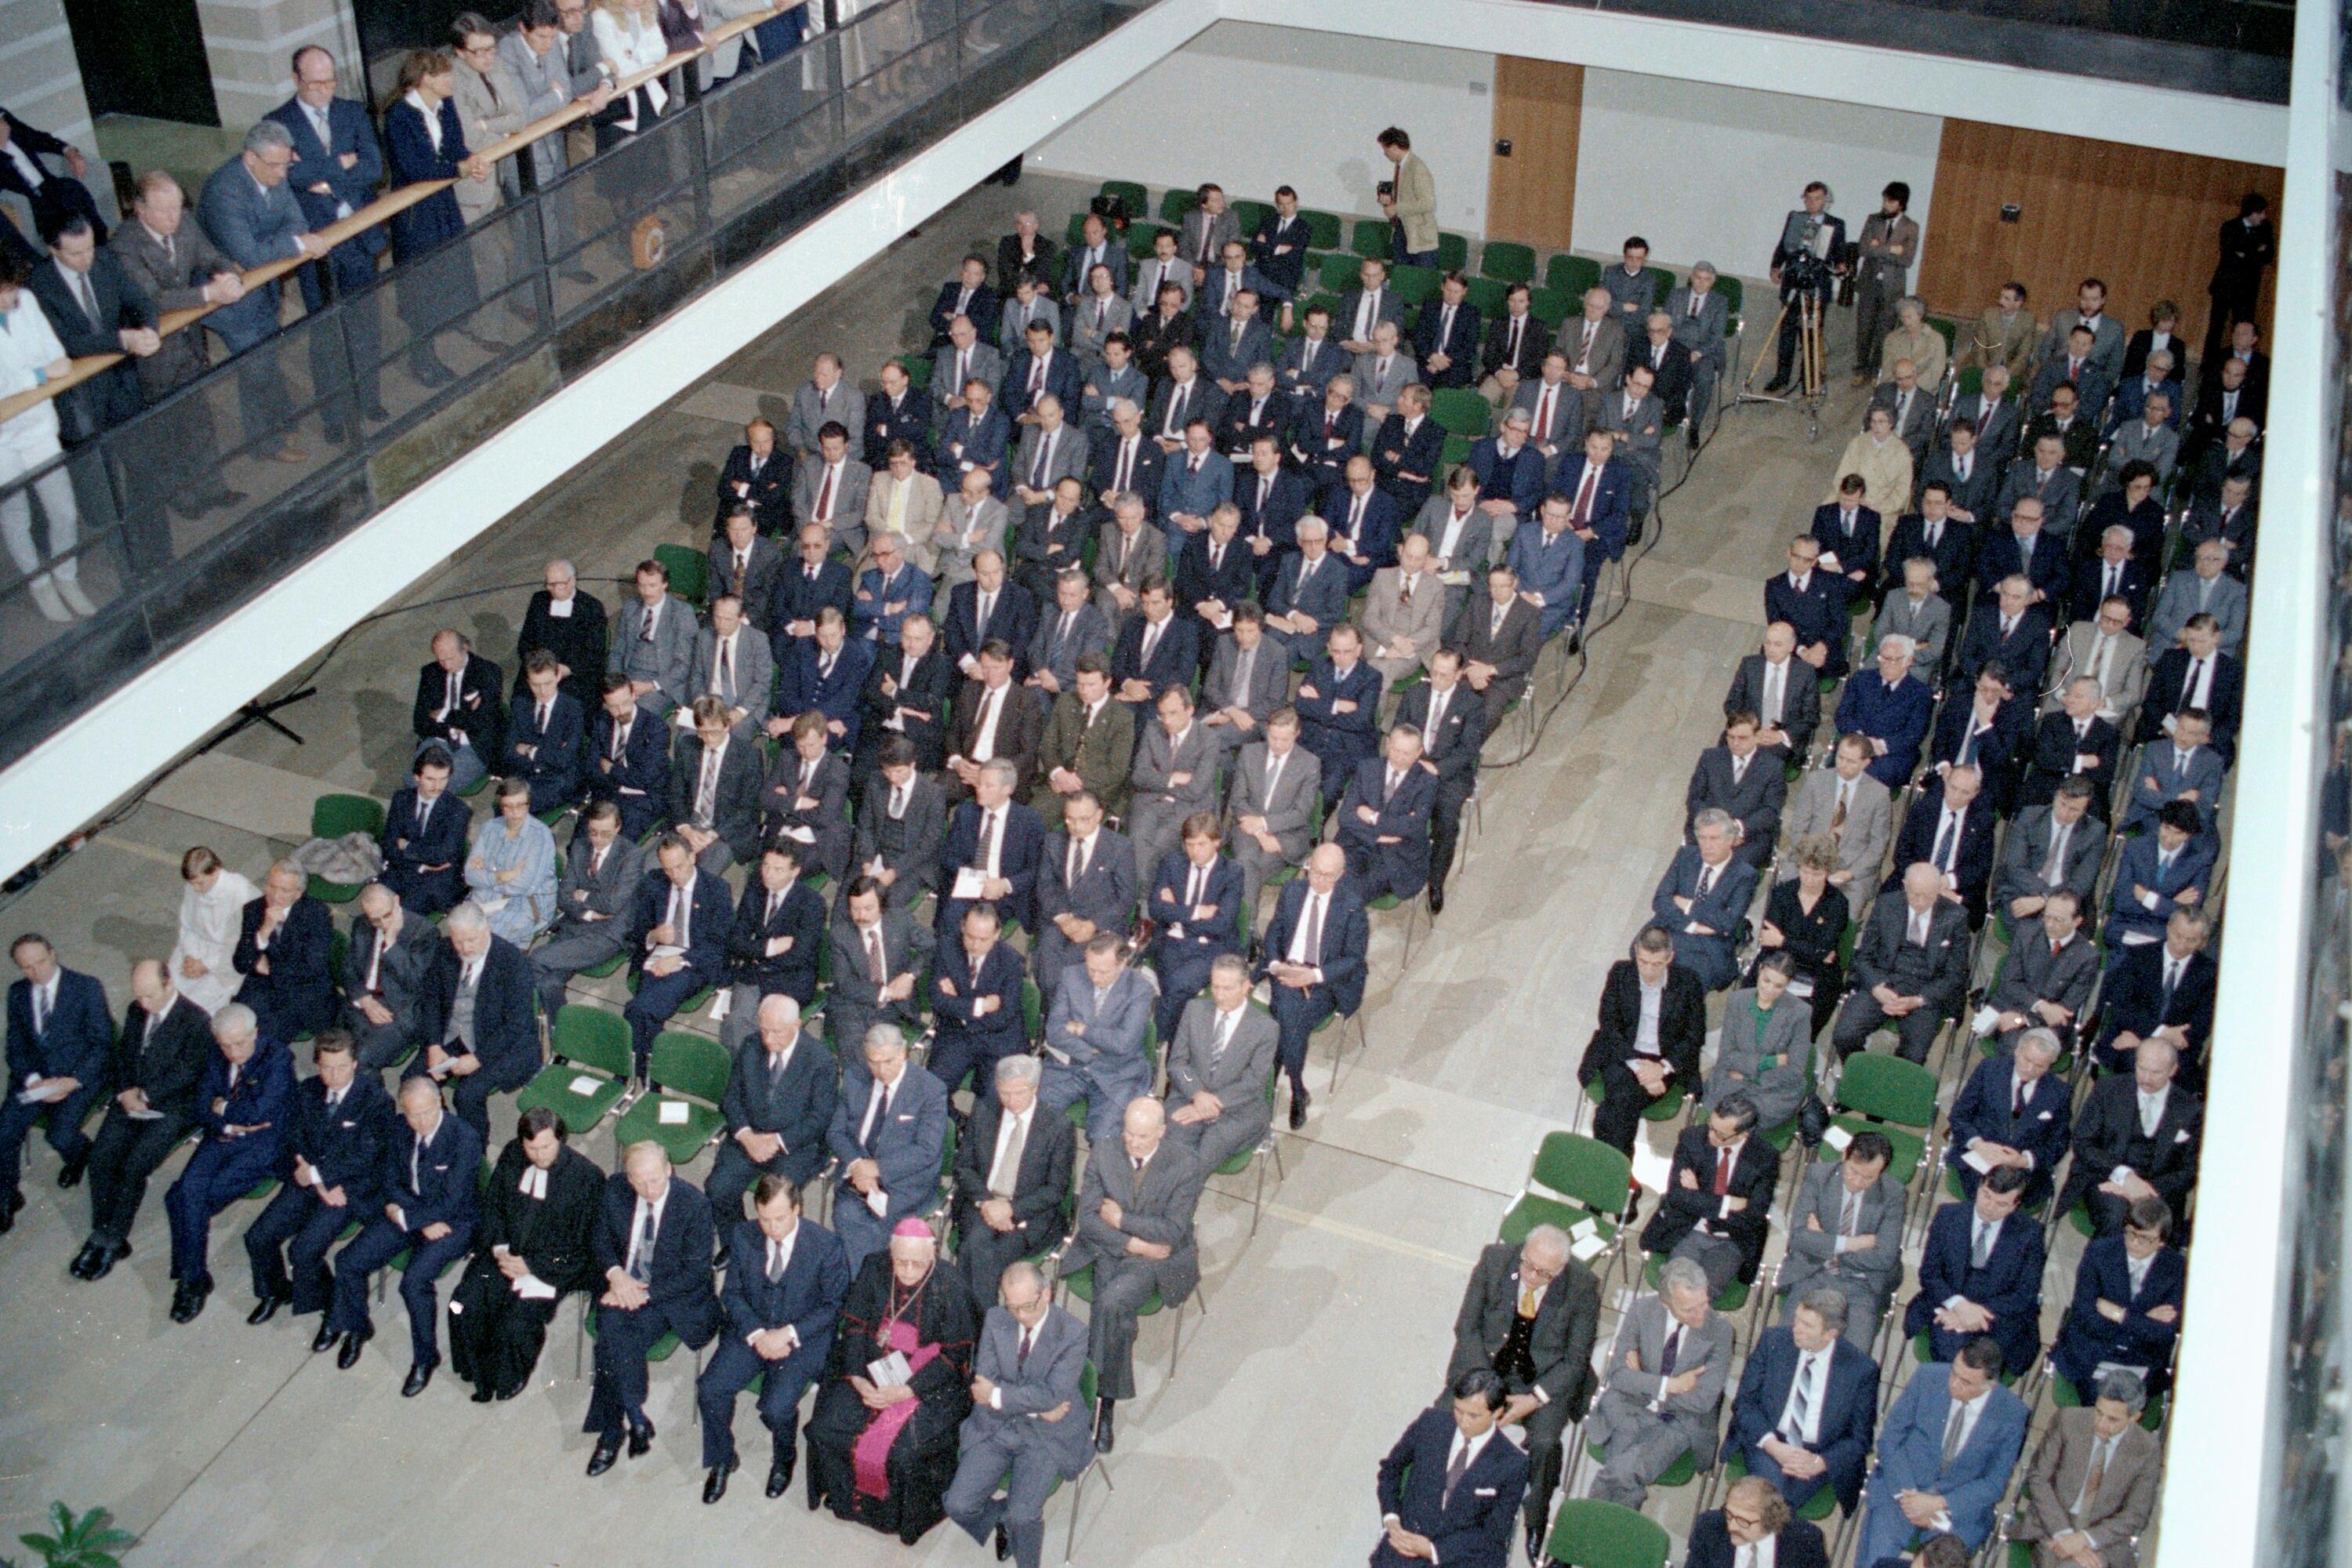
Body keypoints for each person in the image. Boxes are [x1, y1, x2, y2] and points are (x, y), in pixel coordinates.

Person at [805, 1216, 980, 1534]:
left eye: (918, 1263)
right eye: (901, 1262)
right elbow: (855, 1326)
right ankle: (844, 1498)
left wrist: (908, 1390)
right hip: (870, 1366)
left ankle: (891, 1517)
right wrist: (857, 1376)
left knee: (903, 1453)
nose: (909, 1271)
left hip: (927, 1381)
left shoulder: (951, 1283)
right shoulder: (875, 1267)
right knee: (826, 1427)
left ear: (932, 1255)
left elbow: (954, 1355)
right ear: (891, 1254)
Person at [316, 1072, 481, 1388]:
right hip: (411, 1212)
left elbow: (453, 1200)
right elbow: (391, 1179)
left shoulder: (464, 1139)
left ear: (440, 1101)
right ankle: (356, 1326)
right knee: (348, 1261)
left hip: (453, 1222)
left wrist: (408, 1217)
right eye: (412, 1114)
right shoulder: (400, 1129)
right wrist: (406, 1212)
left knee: (414, 1283)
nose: (420, 1122)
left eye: (427, 1112)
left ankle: (425, 1359)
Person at [1443, 1225, 1600, 1555]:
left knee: (1544, 1443)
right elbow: (1467, 1327)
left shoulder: (1583, 1287)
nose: (1531, 1277)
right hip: (1487, 1370)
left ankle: (1537, 1515)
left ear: (1560, 1270)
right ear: (1522, 1252)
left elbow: (1576, 1361)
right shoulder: (1495, 1261)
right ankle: (1439, 1496)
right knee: (1443, 1419)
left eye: (1544, 1274)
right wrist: (1484, 1391)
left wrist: (1535, 1398)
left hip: (1542, 1381)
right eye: (1528, 1265)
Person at [694, 1174, 851, 1503]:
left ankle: (783, 1458)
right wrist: (757, 1333)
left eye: (780, 1218)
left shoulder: (826, 1246)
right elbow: (733, 1293)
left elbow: (833, 1306)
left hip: (801, 1339)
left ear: (797, 1209)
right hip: (752, 1331)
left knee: (776, 1408)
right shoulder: (744, 1235)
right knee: (710, 1389)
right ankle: (722, 1458)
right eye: (765, 1219)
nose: (772, 1228)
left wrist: (787, 1334)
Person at [1061, 1097, 1206, 1452]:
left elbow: (1173, 1231)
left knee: (1110, 1303)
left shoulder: (1185, 1164)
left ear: (1161, 1132)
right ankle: (1102, 1398)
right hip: (1114, 1250)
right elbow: (1088, 1219)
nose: (1133, 1142)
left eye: (1143, 1136)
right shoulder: (1104, 1152)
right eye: (1129, 1133)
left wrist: (1122, 1219)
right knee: (1114, 1315)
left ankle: (1100, 1400)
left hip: (1156, 1262)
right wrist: (1134, 1242)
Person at [107, 171, 246, 524]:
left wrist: (227, 274)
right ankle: (183, 497)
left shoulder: (183, 223)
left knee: (199, 419)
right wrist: (209, 293)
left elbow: (211, 256)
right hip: (154, 355)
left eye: (178, 208)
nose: (174, 217)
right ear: (140, 210)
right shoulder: (124, 246)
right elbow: (153, 299)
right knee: (167, 430)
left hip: (189, 343)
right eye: (164, 211)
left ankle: (213, 487)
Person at [194, 121, 332, 463]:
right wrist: (294, 244)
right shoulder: (224, 191)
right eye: (275, 166)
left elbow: (297, 223)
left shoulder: (274, 172)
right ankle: (264, 445)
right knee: (255, 368)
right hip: (231, 302)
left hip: (262, 288)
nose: (283, 174)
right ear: (250, 158)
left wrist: (280, 244)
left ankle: (281, 424)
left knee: (268, 358)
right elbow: (250, 254)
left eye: (286, 164)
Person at [267, 46, 389, 431]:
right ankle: (334, 417)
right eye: (315, 83)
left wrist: (325, 179)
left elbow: (373, 167)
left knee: (366, 324)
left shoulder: (352, 112)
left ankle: (369, 399)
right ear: (296, 80)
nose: (324, 90)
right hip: (316, 244)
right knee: (326, 335)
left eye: (330, 82)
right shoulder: (278, 123)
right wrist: (340, 163)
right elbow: (288, 176)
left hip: (358, 235)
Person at [581, 1139, 720, 1472]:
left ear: (669, 1170)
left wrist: (643, 1294)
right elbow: (599, 1237)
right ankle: (633, 1419)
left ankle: (618, 1429)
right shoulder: (615, 1189)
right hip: (622, 1285)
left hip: (665, 1296)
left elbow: (695, 1272)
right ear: (628, 1177)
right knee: (613, 1335)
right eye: (639, 1182)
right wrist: (616, 1276)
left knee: (610, 1342)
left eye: (655, 1180)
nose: (648, 1190)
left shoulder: (694, 1205)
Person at [447, 1105, 602, 1401]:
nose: (539, 1156)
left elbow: (583, 1246)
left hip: (550, 1267)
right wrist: (500, 1249)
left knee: (517, 1322)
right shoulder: (512, 1154)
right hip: (505, 1252)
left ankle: (510, 1378)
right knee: (464, 1302)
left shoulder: (587, 1178)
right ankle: (474, 1369)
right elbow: (494, 1206)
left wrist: (531, 1266)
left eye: (547, 1147)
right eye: (532, 1149)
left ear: (560, 1140)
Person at [942, 1261, 1092, 1568]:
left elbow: (1052, 1395)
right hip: (997, 1427)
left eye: (1027, 1307)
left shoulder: (1073, 1333)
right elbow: (986, 1379)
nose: (1021, 1316)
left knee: (1023, 1516)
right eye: (1013, 1307)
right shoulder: (996, 1319)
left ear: (1046, 1294)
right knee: (958, 1505)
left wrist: (1000, 1396)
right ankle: (1002, 1518)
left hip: (1046, 1437)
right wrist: (1036, 1408)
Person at [70, 960, 213, 1280]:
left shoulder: (196, 1022)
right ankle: (102, 1230)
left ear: (169, 984)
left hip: (172, 1106)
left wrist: (145, 1095)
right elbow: (125, 1055)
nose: (144, 1004)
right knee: (101, 1157)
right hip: (131, 1095)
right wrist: (124, 1091)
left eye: (150, 996)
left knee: (134, 1166)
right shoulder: (137, 1010)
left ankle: (113, 1239)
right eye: (139, 996)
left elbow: (187, 1073)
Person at [153, 1004, 292, 1324]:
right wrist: (225, 1119)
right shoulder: (217, 1055)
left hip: (260, 1148)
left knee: (183, 1200)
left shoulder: (278, 1057)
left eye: (240, 1044)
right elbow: (201, 1106)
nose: (233, 1053)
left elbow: (260, 1112)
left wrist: (222, 1107)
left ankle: (191, 1281)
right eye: (226, 1046)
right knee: (185, 1197)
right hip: (220, 1136)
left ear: (255, 1034)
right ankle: (193, 1276)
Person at [241, 1031, 392, 1323]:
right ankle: (274, 1291)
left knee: (303, 1251)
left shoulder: (376, 1100)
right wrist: (316, 1179)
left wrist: (319, 1176)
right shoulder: (308, 1090)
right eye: (326, 1067)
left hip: (347, 1188)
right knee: (259, 1237)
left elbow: (366, 1156)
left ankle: (331, 1305)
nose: (333, 1076)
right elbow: (295, 1137)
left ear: (355, 1064)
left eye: (341, 1067)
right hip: (311, 1179)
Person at [1855, 1338, 2029, 1565]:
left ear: (1991, 1386)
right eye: (1954, 1372)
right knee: (1876, 1558)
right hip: (1902, 1490)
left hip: (1957, 1509)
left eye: (1966, 1382)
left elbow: (1994, 1484)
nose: (1954, 1384)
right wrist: (1909, 1497)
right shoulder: (1928, 1377)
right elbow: (1890, 1440)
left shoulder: (2012, 1415)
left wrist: (1939, 1503)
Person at [1585, 1258, 1735, 1508]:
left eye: (1704, 1303)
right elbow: (1618, 1374)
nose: (1701, 1314)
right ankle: (1612, 1531)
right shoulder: (1641, 1310)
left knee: (1618, 1473)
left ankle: (1590, 1526)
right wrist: (1670, 1386)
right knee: (1624, 1476)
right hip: (1628, 1408)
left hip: (1678, 1422)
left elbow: (1703, 1400)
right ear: (1666, 1303)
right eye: (1689, 1309)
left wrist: (1643, 1379)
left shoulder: (1721, 1331)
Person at [1723, 1288, 1878, 1518]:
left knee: (1773, 1502)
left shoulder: (1860, 1370)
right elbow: (1745, 1403)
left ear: (1830, 1334)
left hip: (1817, 1454)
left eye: (1807, 1325)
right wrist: (1773, 1446)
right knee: (1774, 1497)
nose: (1797, 1328)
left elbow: (1860, 1439)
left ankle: (1745, 1531)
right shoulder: (1774, 1341)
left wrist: (1820, 1462)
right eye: (1797, 1319)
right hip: (1768, 1441)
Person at [382, 51, 487, 387]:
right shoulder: (400, 116)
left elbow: (455, 145)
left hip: (442, 202)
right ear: (425, 78)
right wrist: (459, 169)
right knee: (422, 284)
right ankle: (422, 357)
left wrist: (471, 160)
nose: (450, 81)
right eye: (444, 75)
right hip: (416, 211)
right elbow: (414, 167)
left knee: (447, 271)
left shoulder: (446, 104)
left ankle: (439, 339)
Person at [1370, 1369, 1530, 1568]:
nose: (1463, 1421)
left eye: (1473, 1416)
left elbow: (1494, 1533)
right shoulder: (1430, 1424)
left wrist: (1434, 1550)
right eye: (1458, 1410)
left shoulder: (1513, 1464)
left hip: (1463, 1559)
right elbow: (1390, 1470)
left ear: (1497, 1413)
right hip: (1405, 1547)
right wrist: (1391, 1519)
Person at [1258, 844, 1368, 1128]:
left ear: (1340, 875)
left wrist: (1314, 976)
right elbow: (1275, 931)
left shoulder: (1352, 904)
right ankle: (1296, 1091)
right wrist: (1276, 965)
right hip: (1288, 970)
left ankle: (1284, 1082)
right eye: (1314, 871)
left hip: (1324, 982)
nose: (1318, 880)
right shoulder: (1292, 891)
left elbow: (1353, 959)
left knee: (1288, 1015)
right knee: (1290, 1010)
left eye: (1327, 876)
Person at [707, 994, 836, 1236]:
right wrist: (746, 1136)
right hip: (749, 1137)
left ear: (796, 1025)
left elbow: (820, 1118)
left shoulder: (820, 1060)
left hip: (794, 1147)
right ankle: (737, 1241)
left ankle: (777, 1246)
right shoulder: (751, 1045)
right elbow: (732, 1098)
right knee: (718, 1189)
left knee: (779, 1204)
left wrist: (776, 1141)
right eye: (764, 1030)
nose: (768, 1038)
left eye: (777, 1032)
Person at [408, 902, 535, 1142]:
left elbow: (517, 1025)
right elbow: (431, 999)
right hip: (451, 1035)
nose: (465, 948)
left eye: (471, 940)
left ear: (486, 930)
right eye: (458, 941)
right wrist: (434, 1045)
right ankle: (441, 1132)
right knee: (414, 1081)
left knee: (467, 1095)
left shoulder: (512, 962)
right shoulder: (445, 949)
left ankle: (474, 1147)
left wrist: (479, 1058)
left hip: (494, 1042)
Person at [828, 1025, 950, 1273]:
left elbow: (927, 1150)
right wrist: (857, 1166)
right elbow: (836, 1132)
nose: (881, 1070)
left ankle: (866, 1285)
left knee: (875, 1229)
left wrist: (876, 1168)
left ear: (903, 1052)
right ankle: (870, 1285)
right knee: (846, 1215)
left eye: (888, 1061)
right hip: (857, 1178)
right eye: (873, 1062)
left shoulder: (930, 1089)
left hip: (904, 1184)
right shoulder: (855, 1078)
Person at [1576, 926, 1705, 1158]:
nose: (1648, 970)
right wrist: (1639, 1068)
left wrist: (1662, 1068)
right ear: (1636, 952)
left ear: (1670, 958)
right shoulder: (1620, 973)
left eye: (1657, 964)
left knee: (1615, 1107)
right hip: (1623, 1054)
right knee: (1622, 1103)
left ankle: (1610, 1170)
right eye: (1643, 962)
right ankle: (1620, 1173)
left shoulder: (1688, 982)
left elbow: (1695, 1036)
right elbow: (1609, 1026)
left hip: (1665, 1061)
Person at [2013, 1370, 2163, 1568]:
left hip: (2103, 1538)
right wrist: (2065, 1534)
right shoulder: (2067, 1421)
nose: (2101, 1424)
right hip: (2052, 1523)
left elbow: (2136, 1514)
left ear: (2134, 1417)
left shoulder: (2147, 1448)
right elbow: (2038, 1478)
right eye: (2099, 1412)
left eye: (2113, 1419)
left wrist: (2084, 1539)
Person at [27, 215, 156, 445]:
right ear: (53, 250)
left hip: (123, 382)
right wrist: (121, 340)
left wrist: (150, 330)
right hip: (82, 395)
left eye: (90, 248)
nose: (87, 258)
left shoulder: (106, 261)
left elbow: (140, 301)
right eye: (76, 254)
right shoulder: (39, 285)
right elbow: (66, 343)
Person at [951, 1052, 1073, 1294]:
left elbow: (1056, 1189)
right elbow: (963, 1166)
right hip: (983, 1203)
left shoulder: (1058, 1126)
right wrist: (987, 1203)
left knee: (984, 1258)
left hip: (1029, 1213)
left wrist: (1010, 1209)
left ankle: (970, 1317)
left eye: (1019, 1093)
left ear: (1035, 1088)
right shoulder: (984, 1110)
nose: (1012, 1101)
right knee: (975, 1247)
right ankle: (984, 1319)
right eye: (1005, 1093)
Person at [1907, 1167, 2047, 1374]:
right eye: (1986, 1196)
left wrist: (1976, 1315)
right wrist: (1960, 1306)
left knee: (1985, 1364)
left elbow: (2025, 1293)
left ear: (2015, 1205)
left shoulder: (2030, 1233)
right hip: (1950, 1305)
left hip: (1998, 1316)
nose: (1989, 1207)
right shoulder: (1948, 1216)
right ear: (1979, 1187)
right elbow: (1930, 1274)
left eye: (2001, 1204)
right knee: (1951, 1354)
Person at [2056, 1038, 2202, 1236]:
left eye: (2156, 1072)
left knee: (2158, 1231)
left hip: (2158, 1191)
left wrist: (2145, 1190)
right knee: (2117, 1216)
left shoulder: (2190, 1109)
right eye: (2142, 1069)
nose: (2146, 1078)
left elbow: (2190, 1169)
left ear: (2173, 1070)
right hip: (2106, 1177)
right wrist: (2126, 1177)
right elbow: (2083, 1142)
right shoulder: (2108, 1089)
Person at [2049, 1197, 2185, 1402]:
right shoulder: (2100, 1252)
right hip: (2093, 1351)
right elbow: (2084, 1313)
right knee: (2102, 1404)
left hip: (2141, 1359)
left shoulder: (2176, 1268)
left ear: (2162, 1242)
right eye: (2131, 1233)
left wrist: (2120, 1314)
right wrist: (2143, 1320)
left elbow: (2164, 1333)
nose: (2135, 1243)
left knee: (2125, 1408)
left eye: (2145, 1238)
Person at [622, 833, 731, 1081]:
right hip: (657, 957)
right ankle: (651, 1078)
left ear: (693, 857)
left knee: (640, 1008)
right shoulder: (654, 882)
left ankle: (629, 1072)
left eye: (679, 866)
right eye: (667, 869)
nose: (674, 875)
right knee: (648, 1013)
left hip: (693, 962)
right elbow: (634, 930)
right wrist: (653, 935)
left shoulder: (716, 889)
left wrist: (680, 960)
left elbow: (719, 944)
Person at [1834, 864, 1969, 1063]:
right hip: (1884, 981)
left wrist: (1919, 1000)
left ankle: (1896, 1080)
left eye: (1928, 896)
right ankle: (1862, 1070)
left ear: (1938, 890)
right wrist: (1877, 988)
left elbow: (1955, 974)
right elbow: (1864, 956)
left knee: (1914, 1056)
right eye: (1915, 895)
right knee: (1845, 1035)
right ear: (1905, 886)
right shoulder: (1886, 904)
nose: (1921, 902)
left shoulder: (1956, 916)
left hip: (1925, 989)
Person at [1644, 1095, 1776, 1297]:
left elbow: (1753, 1215)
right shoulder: (1692, 1139)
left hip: (1730, 1239)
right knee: (1676, 1288)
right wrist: (1728, 1204)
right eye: (1711, 1126)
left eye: (1720, 1134)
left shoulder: (1765, 1158)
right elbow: (1677, 1196)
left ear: (1744, 1134)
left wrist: (1698, 1197)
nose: (1711, 1136)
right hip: (1690, 1228)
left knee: (1703, 1294)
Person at [527, 801, 641, 1019]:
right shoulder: (580, 847)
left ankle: (554, 1022)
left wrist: (585, 896)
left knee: (537, 959)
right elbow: (564, 896)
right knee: (549, 982)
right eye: (593, 832)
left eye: (605, 834)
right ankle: (560, 1024)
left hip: (607, 934)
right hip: (575, 925)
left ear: (618, 828)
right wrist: (587, 913)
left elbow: (614, 904)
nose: (598, 839)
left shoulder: (631, 855)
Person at [1037, 935, 1154, 1146]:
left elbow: (1123, 1043)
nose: (1095, 977)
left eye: (1103, 972)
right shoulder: (1071, 976)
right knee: (1037, 1119)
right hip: (1069, 1067)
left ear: (1122, 963)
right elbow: (1054, 1031)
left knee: (1103, 1140)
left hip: (1117, 1074)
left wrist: (1082, 1030)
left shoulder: (1140, 989)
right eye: (1091, 969)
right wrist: (1091, 1052)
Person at [1947, 1029, 2073, 1211]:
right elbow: (1959, 1115)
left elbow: (2059, 1143)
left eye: (2039, 1066)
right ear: (2017, 1050)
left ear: (2050, 1065)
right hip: (1979, 1158)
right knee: (1986, 1201)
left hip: (2022, 1171)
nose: (2030, 1069)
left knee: (2009, 1203)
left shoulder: (2060, 1093)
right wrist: (1979, 1145)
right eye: (2027, 1060)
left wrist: (2024, 1160)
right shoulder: (1989, 1069)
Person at [719, 845, 826, 1045]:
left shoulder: (812, 903)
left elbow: (800, 955)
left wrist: (755, 952)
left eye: (778, 869)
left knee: (766, 1028)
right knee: (736, 1023)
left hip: (790, 978)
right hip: (753, 975)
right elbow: (736, 941)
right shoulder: (755, 891)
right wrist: (770, 947)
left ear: (795, 871)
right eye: (766, 866)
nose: (768, 874)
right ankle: (739, 1066)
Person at [232, 861, 337, 1045]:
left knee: (263, 1041)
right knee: (233, 1028)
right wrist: (264, 930)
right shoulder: (254, 909)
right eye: (272, 886)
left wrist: (270, 968)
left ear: (298, 893)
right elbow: (241, 963)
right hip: (263, 988)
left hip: (301, 993)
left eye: (285, 890)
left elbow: (312, 967)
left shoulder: (317, 914)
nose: (275, 896)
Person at [826, 876, 935, 1051]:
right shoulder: (840, 934)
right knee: (855, 1050)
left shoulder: (900, 920)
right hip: (852, 1005)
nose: (861, 916)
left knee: (882, 1051)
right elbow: (844, 982)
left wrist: (910, 975)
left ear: (882, 905)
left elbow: (932, 947)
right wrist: (886, 992)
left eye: (868, 908)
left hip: (893, 1008)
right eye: (856, 909)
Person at [1703, 956, 1812, 1132]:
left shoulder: (1800, 1012)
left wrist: (1750, 1076)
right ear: (1760, 970)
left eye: (1779, 986)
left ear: (1788, 984)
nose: (1769, 989)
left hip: (1772, 1091)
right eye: (1766, 980)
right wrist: (1771, 1061)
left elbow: (1795, 1069)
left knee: (1745, 1122)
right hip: (1731, 1083)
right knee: (1725, 1118)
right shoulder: (1737, 1000)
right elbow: (1726, 1056)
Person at [1649, 811, 1755, 992]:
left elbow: (1727, 922)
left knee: (1686, 984)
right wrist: (1692, 926)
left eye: (1714, 839)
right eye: (1702, 838)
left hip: (1707, 947)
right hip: (1669, 931)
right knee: (1643, 965)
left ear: (1730, 840)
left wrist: (1688, 905)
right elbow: (1660, 900)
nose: (1707, 846)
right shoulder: (1686, 855)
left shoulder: (1744, 875)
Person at [339, 883, 437, 1073]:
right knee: (334, 1054)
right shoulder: (361, 924)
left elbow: (415, 984)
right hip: (363, 1003)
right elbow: (349, 969)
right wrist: (365, 1000)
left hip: (398, 1012)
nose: (384, 924)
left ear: (396, 901)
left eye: (387, 915)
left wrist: (391, 944)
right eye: (375, 920)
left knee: (360, 1061)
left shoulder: (424, 932)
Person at [1982, 892, 2097, 1053]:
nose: (2050, 924)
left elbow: (2066, 1009)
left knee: (2026, 1048)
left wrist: (2023, 1020)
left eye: (2058, 920)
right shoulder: (2026, 933)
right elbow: (2009, 982)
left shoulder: (2088, 956)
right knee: (2010, 1043)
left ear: (2077, 922)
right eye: (2047, 916)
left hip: (2048, 1025)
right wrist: (2041, 1006)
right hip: (2010, 1006)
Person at [1764, 181, 1846, 394]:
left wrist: (1840, 265)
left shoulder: (1836, 224)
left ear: (1826, 200)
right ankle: (1782, 376)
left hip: (1816, 285)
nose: (1812, 203)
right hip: (1792, 281)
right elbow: (1783, 245)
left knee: (1810, 333)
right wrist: (1775, 267)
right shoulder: (1795, 218)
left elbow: (1839, 255)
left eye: (1817, 198)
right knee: (1787, 331)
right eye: (1808, 198)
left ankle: (1808, 379)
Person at [411, 628, 506, 798]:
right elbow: (420, 722)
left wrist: (444, 715)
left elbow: (482, 721)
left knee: (439, 787)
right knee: (414, 781)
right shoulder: (430, 673)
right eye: (441, 660)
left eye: (451, 658)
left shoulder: (488, 672)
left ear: (465, 648)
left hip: (473, 745)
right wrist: (457, 723)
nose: (447, 666)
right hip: (438, 740)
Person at [462, 779, 557, 946]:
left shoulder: (541, 836)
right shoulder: (489, 828)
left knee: (488, 942)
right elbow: (470, 875)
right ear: (501, 806)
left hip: (525, 904)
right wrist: (500, 876)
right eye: (508, 806)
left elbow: (524, 886)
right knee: (462, 936)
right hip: (485, 899)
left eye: (521, 805)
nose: (515, 812)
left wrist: (486, 876)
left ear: (528, 804)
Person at [165, 851, 256, 1020]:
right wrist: (190, 956)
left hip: (225, 959)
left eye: (200, 883)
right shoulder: (193, 887)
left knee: (197, 1004)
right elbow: (188, 927)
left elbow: (244, 942)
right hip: (196, 949)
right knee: (167, 987)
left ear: (215, 871)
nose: (195, 889)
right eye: (192, 884)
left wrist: (206, 964)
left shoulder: (240, 892)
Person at [610, 557, 698, 719]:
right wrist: (616, 683)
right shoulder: (631, 607)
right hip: (629, 675)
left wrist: (651, 686)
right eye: (641, 585)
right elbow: (617, 651)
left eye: (652, 586)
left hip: (661, 681)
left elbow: (684, 664)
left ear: (665, 584)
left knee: (636, 716)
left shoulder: (682, 613)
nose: (646, 592)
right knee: (607, 711)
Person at [1851, 183, 1920, 383]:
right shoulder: (1874, 220)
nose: (1885, 205)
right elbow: (1863, 249)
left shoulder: (1911, 227)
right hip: (1869, 282)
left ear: (1901, 204)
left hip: (1893, 287)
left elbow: (1907, 260)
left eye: (1891, 202)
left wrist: (1879, 248)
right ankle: (1860, 368)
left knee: (1885, 331)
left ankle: (1876, 370)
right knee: (1864, 328)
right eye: (1885, 200)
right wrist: (1892, 249)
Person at [1689, 1476, 1832, 1568]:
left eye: (1743, 1521)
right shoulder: (1709, 1527)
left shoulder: (1805, 1541)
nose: (1732, 1526)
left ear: (1770, 1519)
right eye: (1729, 1515)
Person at [506, 652, 586, 814]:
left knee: (519, 808)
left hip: (558, 780)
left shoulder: (573, 708)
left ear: (558, 676)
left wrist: (530, 750)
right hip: (525, 775)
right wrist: (551, 752)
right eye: (535, 685)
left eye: (548, 683)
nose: (542, 691)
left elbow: (565, 760)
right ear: (528, 681)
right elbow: (509, 752)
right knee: (505, 804)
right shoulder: (521, 704)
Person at [1375, 126, 1439, 267]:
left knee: (1419, 276)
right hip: (1403, 228)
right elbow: (1406, 197)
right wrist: (1390, 201)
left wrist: (1396, 208)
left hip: (1419, 236)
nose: (1385, 154)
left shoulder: (1417, 168)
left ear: (1394, 147)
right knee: (1400, 273)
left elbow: (1428, 204)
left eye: (1385, 149)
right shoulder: (1402, 166)